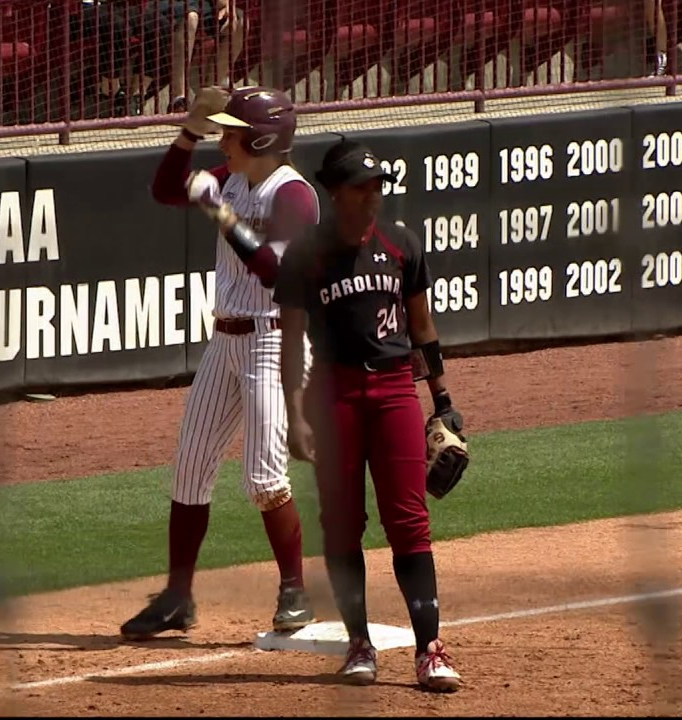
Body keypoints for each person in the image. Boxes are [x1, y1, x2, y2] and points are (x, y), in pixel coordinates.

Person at [119, 86, 321, 640]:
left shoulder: (294, 195)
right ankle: (177, 598)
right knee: (189, 467)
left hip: (272, 344)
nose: (223, 139)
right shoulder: (230, 177)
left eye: (231, 131)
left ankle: (295, 590)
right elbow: (163, 188)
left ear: (260, 138)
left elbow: (274, 272)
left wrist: (219, 211)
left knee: (262, 478)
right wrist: (189, 129)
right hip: (225, 341)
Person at [273, 139, 466, 691]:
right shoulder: (305, 255)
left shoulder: (401, 243)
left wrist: (444, 401)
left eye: (377, 186)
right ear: (335, 192)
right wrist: (293, 411)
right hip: (332, 395)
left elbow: (422, 328)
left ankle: (430, 649)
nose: (372, 196)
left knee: (409, 521)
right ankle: (359, 645)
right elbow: (290, 343)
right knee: (341, 524)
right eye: (361, 187)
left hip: (394, 390)